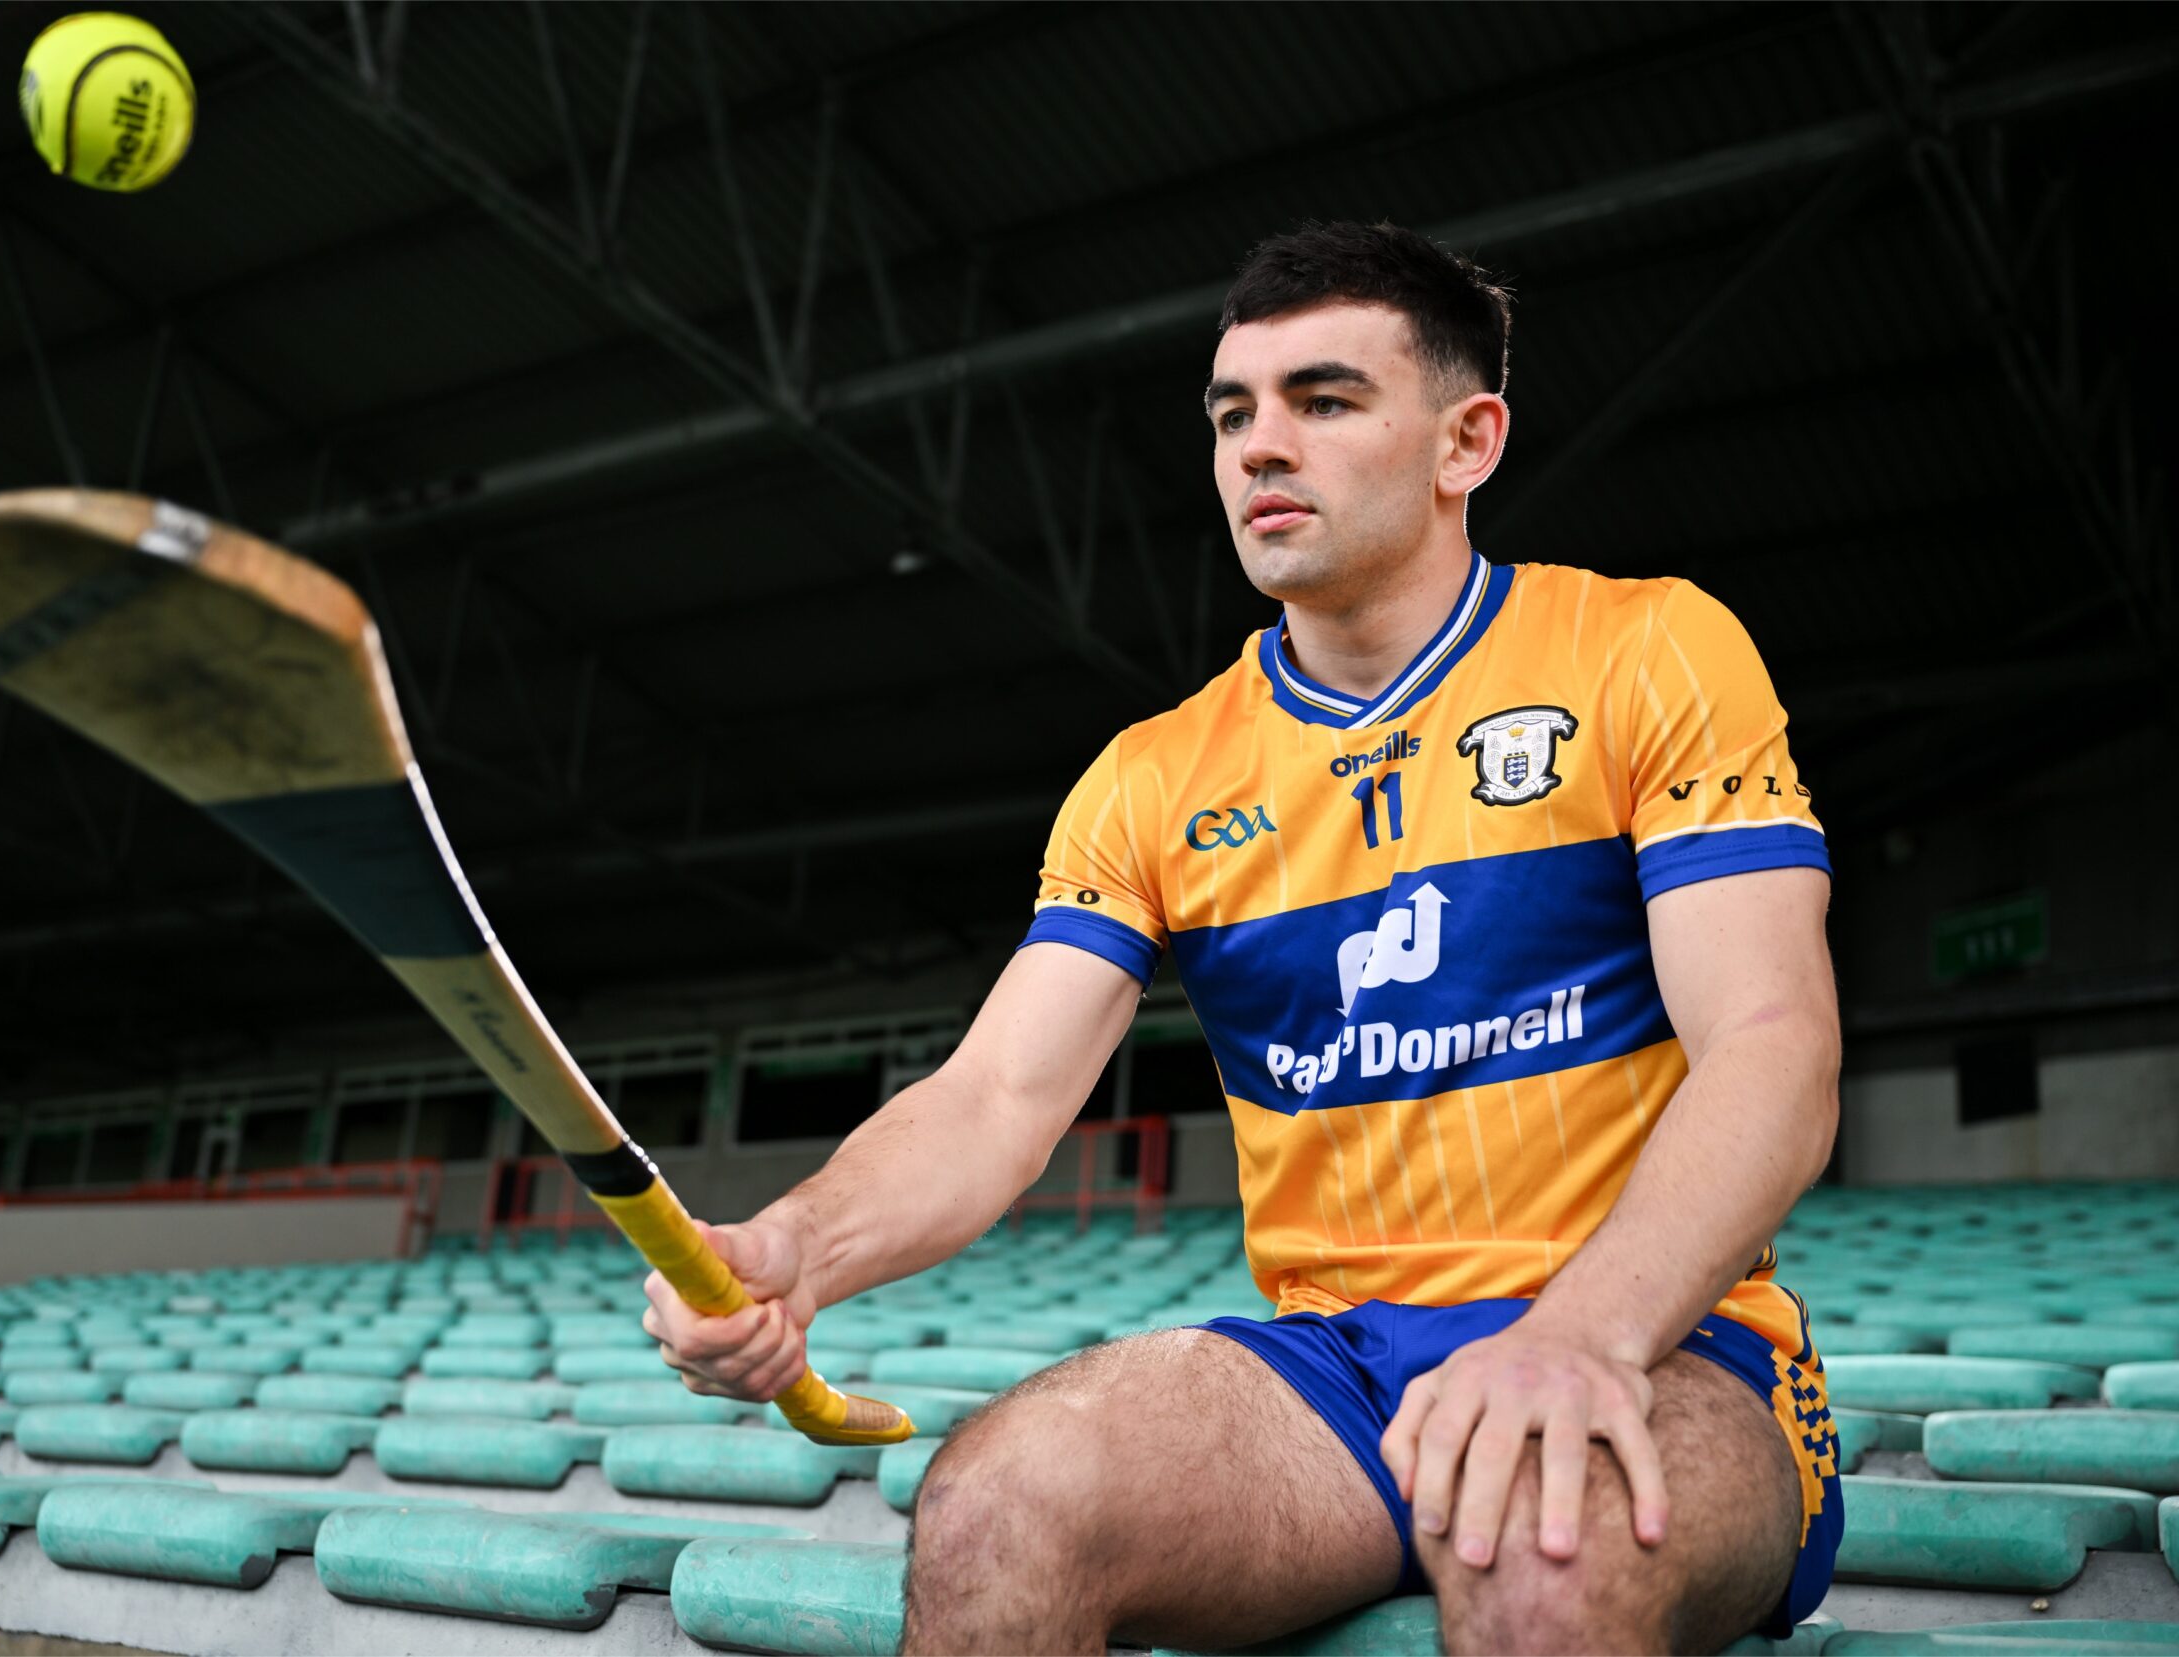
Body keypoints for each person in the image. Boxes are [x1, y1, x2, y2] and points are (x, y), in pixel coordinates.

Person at [640, 219, 1844, 1656]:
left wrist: (1579, 1333)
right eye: (1232, 414)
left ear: (1467, 442)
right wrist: (796, 1245)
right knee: (997, 1505)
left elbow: (1773, 1046)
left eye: (1323, 400)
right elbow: (996, 1096)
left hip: (1666, 1344)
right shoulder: (1152, 774)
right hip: (1340, 1371)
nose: (1260, 445)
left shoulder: (1648, 649)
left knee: (1544, 1546)